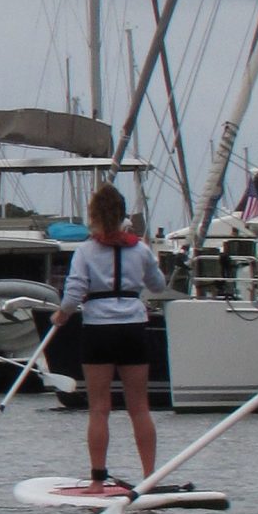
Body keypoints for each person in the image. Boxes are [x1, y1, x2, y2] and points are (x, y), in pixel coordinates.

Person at [49, 185, 164, 489]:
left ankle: (98, 481)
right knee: (139, 406)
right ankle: (150, 476)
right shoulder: (140, 249)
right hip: (132, 329)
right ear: (122, 214)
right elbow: (159, 285)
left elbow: (73, 293)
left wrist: (61, 315)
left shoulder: (86, 251)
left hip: (98, 330)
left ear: (94, 216)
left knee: (99, 407)